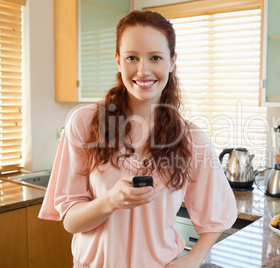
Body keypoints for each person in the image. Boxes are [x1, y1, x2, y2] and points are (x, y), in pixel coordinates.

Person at [39, 10, 237, 268]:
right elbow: (70, 221)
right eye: (132, 57)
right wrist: (110, 201)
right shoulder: (84, 123)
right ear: (118, 61)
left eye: (155, 57)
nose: (143, 71)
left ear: (172, 61)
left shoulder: (191, 138)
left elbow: (218, 214)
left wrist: (194, 258)